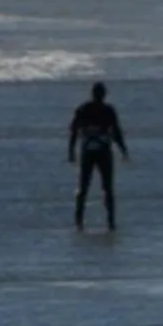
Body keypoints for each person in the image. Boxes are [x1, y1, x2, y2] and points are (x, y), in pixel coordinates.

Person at [68, 80, 129, 230]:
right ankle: (110, 222)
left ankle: (79, 220)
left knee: (84, 187)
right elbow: (116, 132)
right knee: (107, 188)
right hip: (103, 151)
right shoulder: (108, 110)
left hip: (88, 151)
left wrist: (71, 151)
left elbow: (74, 131)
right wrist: (123, 150)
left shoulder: (83, 109)